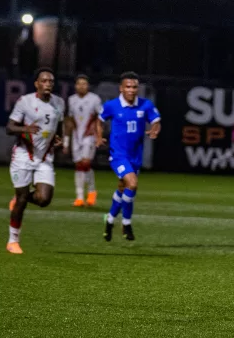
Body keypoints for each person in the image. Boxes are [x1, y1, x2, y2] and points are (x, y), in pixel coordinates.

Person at [5, 67, 65, 254]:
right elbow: (9, 127)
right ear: (37, 84)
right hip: (24, 155)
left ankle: (19, 198)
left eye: (51, 82)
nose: (48, 84)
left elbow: (58, 125)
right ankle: (13, 240)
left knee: (44, 199)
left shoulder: (59, 102)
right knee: (23, 199)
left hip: (45, 157)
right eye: (44, 81)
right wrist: (24, 129)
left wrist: (59, 139)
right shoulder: (25, 102)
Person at [96, 72, 161, 242]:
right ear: (121, 88)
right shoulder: (112, 105)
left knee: (122, 188)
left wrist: (155, 129)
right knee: (132, 184)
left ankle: (109, 220)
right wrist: (98, 136)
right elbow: (99, 120)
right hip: (118, 155)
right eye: (128, 87)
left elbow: (156, 121)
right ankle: (126, 223)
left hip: (135, 156)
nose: (131, 90)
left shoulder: (145, 105)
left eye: (134, 87)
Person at [64, 74, 103, 206]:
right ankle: (80, 197)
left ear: (88, 86)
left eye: (84, 84)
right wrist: (66, 141)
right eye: (79, 83)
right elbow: (69, 121)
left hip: (89, 135)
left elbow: (100, 118)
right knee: (79, 165)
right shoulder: (71, 100)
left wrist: (98, 134)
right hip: (76, 136)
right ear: (75, 86)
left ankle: (91, 191)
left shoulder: (94, 99)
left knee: (85, 163)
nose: (81, 86)